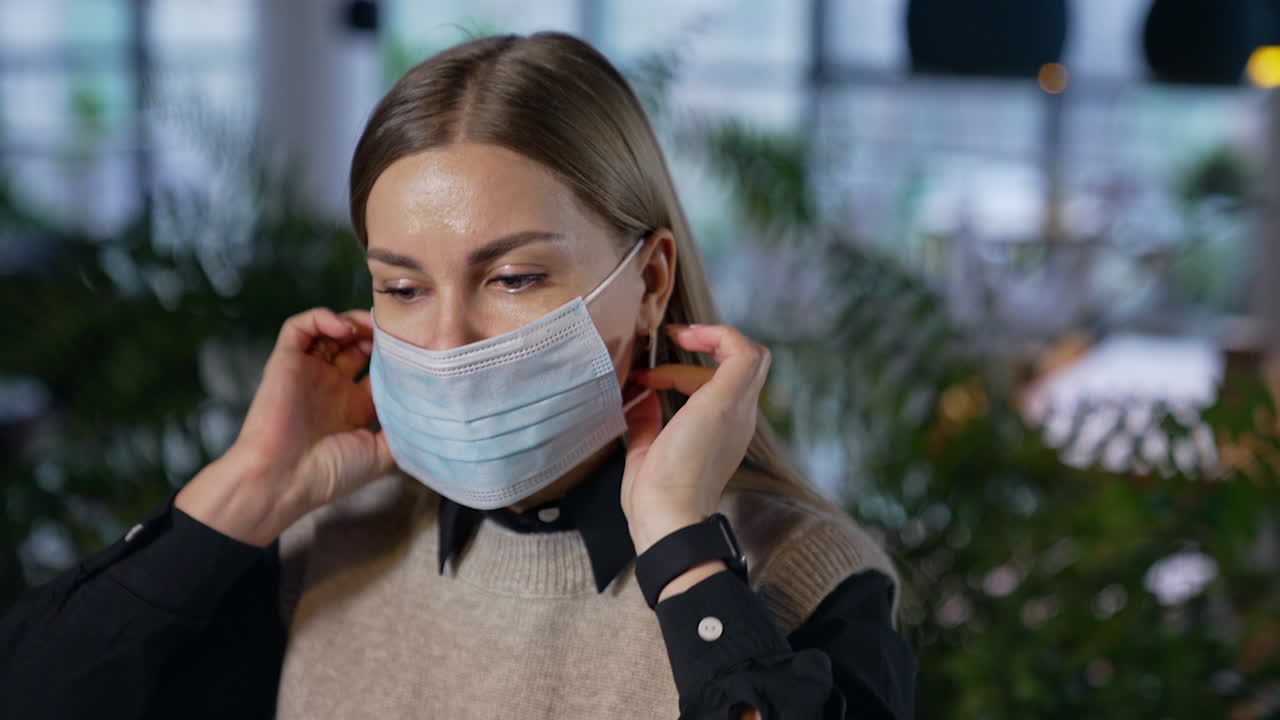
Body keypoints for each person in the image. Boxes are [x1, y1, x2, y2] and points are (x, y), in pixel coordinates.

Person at [0, 31, 915, 719]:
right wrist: (249, 489)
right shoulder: (322, 549)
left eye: (513, 277)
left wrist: (679, 541)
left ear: (649, 281)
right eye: (401, 285)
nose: (443, 338)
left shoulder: (797, 578)